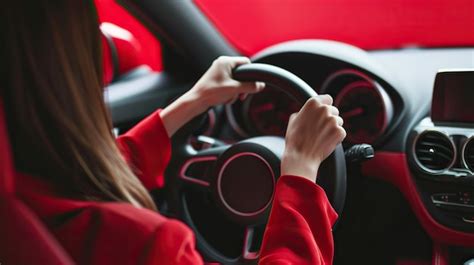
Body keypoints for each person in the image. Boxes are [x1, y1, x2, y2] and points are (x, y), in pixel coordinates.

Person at [0, 1, 346, 264]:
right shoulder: (147, 245)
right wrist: (300, 170)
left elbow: (76, 184)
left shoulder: (25, 202)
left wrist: (194, 102)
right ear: (70, 69)